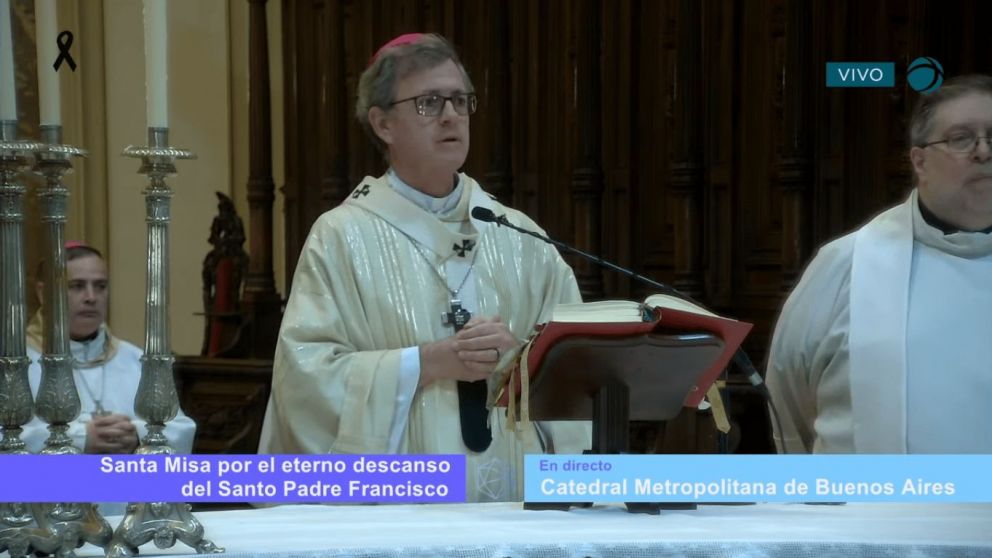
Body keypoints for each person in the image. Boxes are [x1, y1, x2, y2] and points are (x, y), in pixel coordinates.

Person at [258, 33, 590, 501]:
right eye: (429, 102)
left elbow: (576, 372)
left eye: (459, 100)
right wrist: (427, 363)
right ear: (383, 124)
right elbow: (305, 384)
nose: (451, 115)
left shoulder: (520, 238)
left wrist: (521, 359)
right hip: (400, 507)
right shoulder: (341, 237)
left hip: (515, 502)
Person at [765, 74, 992, 454]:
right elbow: (788, 399)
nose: (983, 152)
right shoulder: (846, 264)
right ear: (919, 161)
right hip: (864, 510)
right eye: (961, 138)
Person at [20, 243, 197, 514]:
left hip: (128, 525)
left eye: (100, 286)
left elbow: (181, 429)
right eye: (77, 286)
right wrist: (80, 439)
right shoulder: (16, 365)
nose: (91, 297)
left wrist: (139, 437)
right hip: (44, 528)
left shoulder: (137, 360)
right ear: (44, 293)